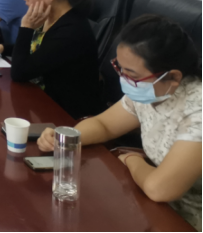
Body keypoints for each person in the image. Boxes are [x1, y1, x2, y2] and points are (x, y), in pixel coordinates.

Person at [38, 16, 202, 232]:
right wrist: (67, 138)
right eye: (119, 68)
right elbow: (104, 125)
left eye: (131, 74)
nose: (123, 79)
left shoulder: (196, 110)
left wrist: (132, 160)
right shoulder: (153, 90)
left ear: (172, 77)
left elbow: (160, 189)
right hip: (155, 207)